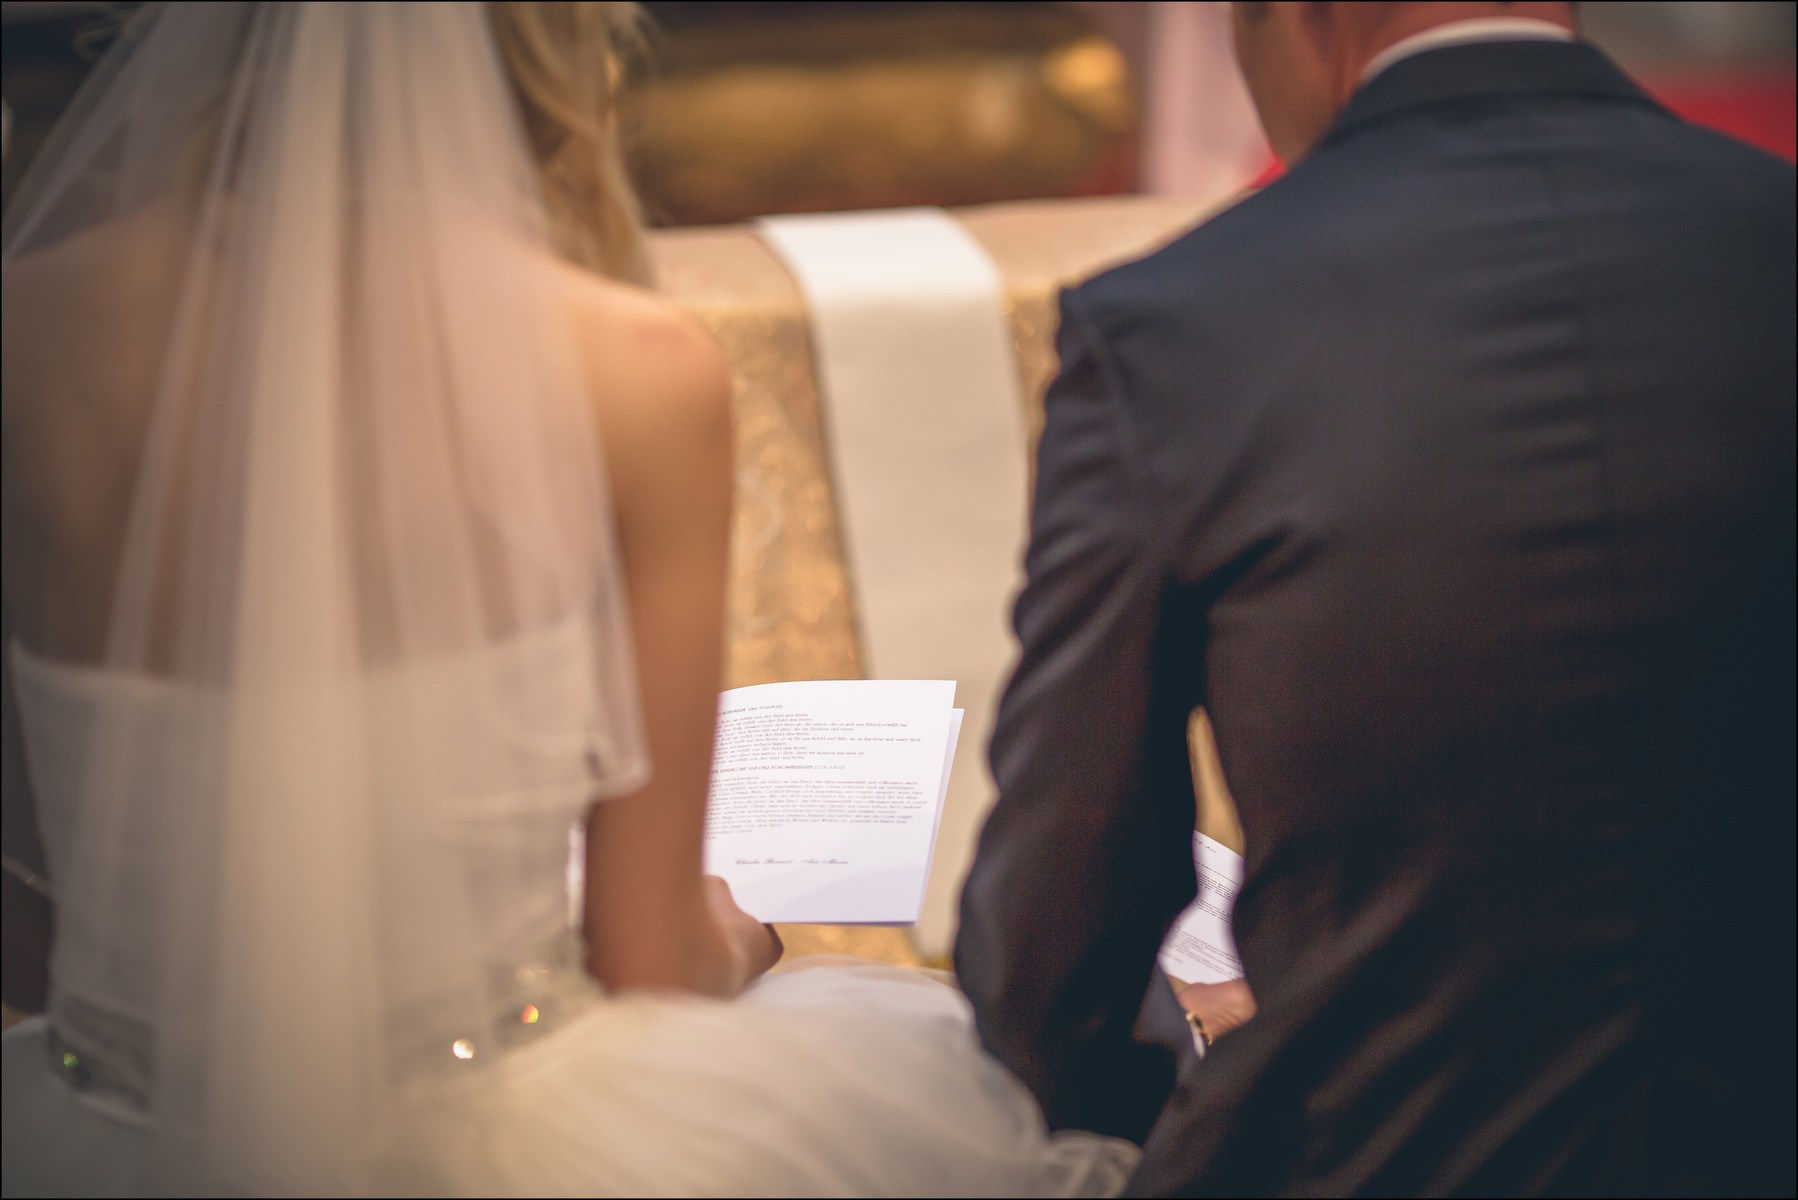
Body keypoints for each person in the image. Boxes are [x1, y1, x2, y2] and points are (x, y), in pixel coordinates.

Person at [0, 4, 1138, 1194]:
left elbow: (27, 921)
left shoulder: (28, 336)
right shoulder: (629, 371)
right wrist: (739, 927)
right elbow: (649, 968)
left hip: (105, 1123)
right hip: (485, 1132)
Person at [955, 1, 1795, 1195]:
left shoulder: (1179, 327)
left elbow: (1066, 906)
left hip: (1378, 1152)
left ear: (1290, 19)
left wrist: (1122, 1129)